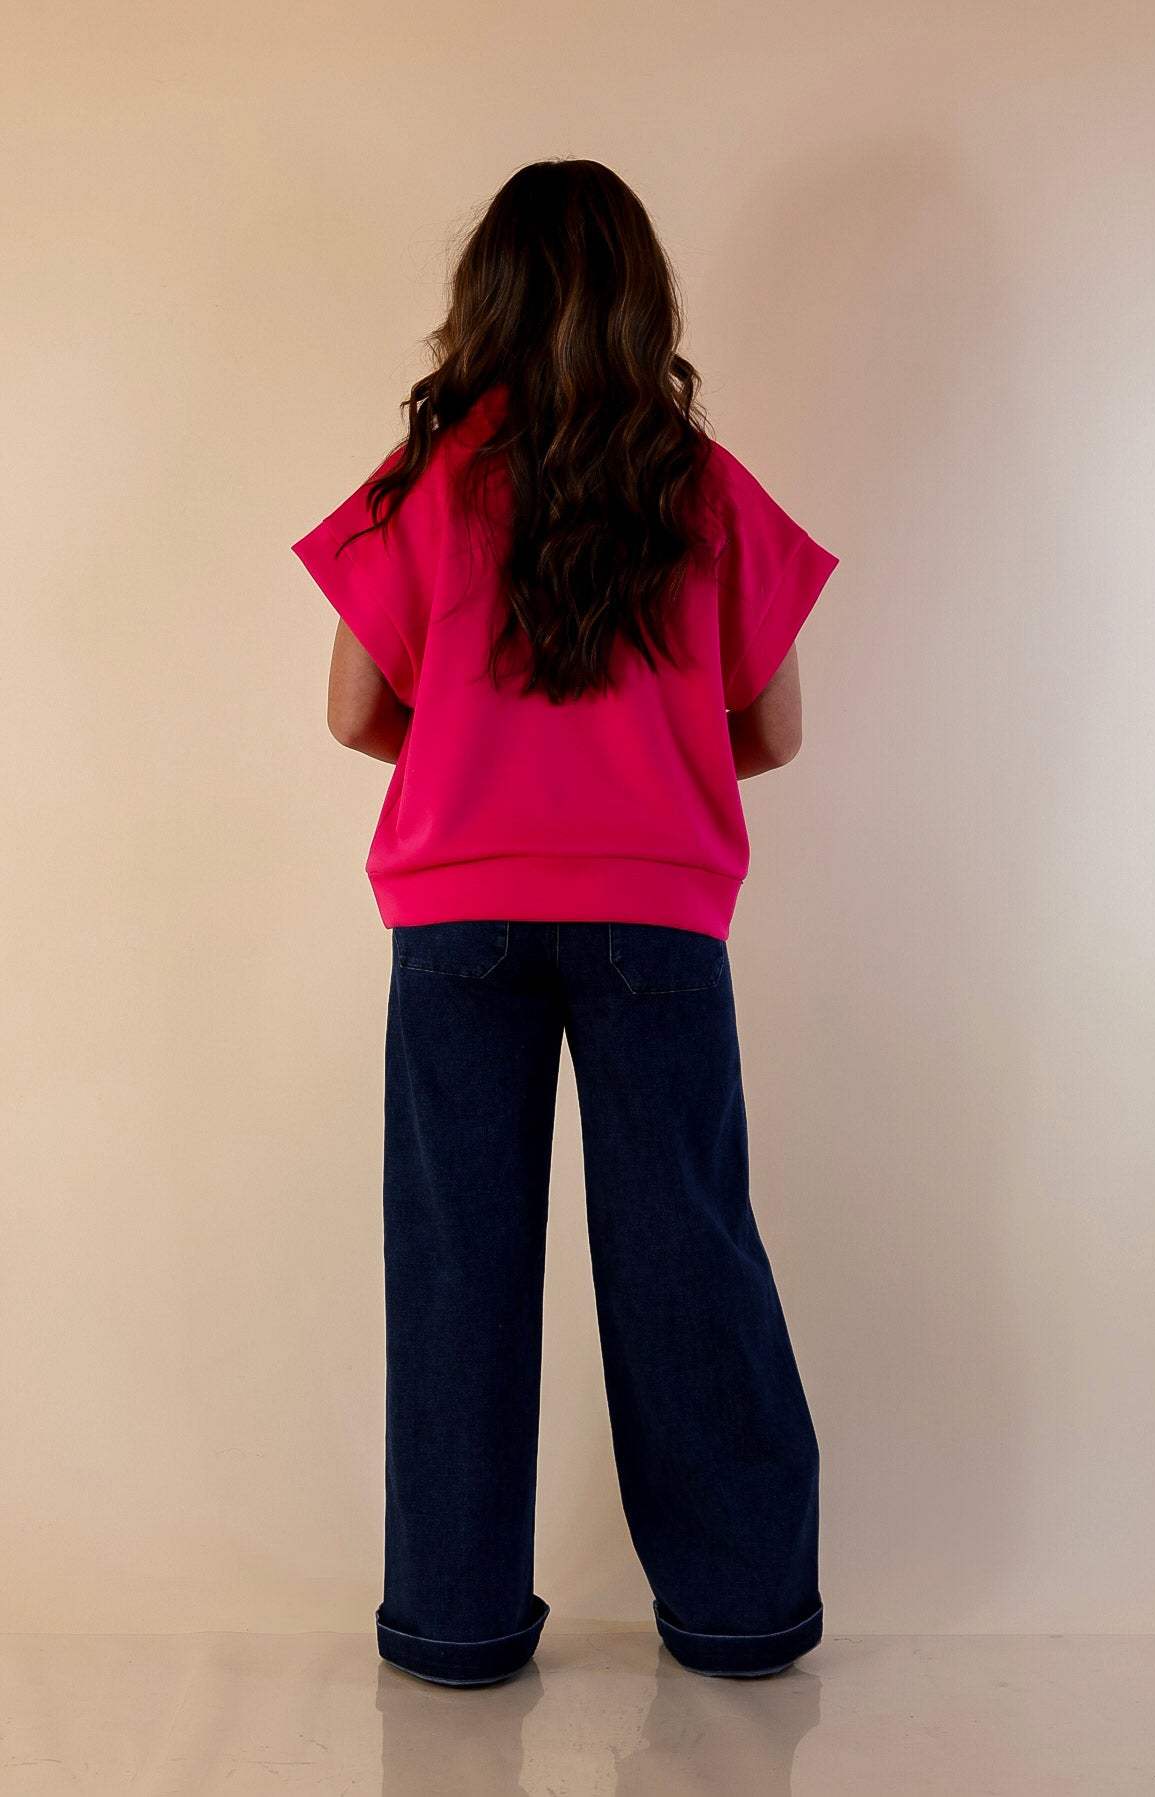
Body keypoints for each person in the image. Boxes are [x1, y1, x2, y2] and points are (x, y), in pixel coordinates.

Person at [290, 158, 839, 1687]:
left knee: (455, 1267)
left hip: (456, 920)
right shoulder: (699, 485)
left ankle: (455, 1623)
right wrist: (644, 774)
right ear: (640, 304)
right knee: (686, 1255)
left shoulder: (428, 479)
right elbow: (774, 728)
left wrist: (477, 752)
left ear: (488, 300)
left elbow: (351, 709)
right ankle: (739, 1613)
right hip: (654, 923)